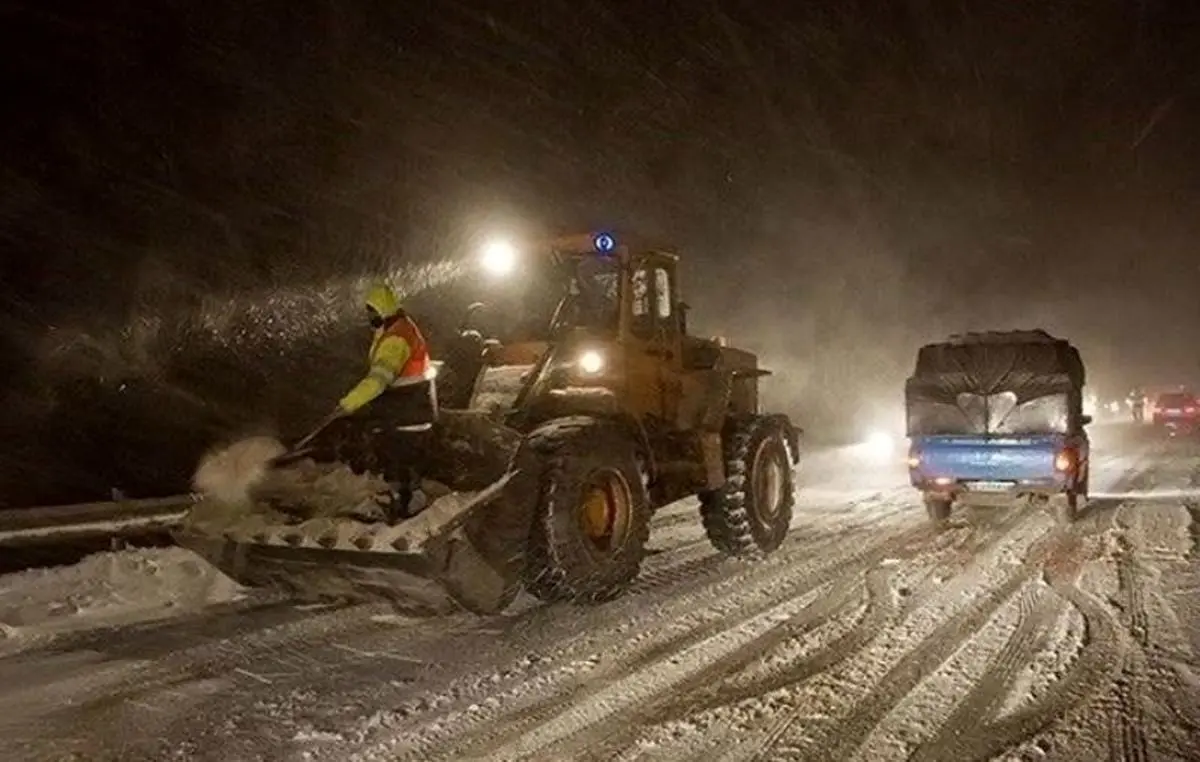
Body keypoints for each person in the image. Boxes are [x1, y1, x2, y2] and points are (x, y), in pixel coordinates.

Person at [331, 281, 437, 521]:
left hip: (407, 409)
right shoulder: (398, 328)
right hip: (410, 408)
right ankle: (406, 501)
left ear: (384, 310)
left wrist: (349, 403)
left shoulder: (396, 339)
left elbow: (379, 379)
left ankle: (402, 507)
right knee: (402, 458)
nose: (369, 316)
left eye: (372, 311)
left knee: (397, 457)